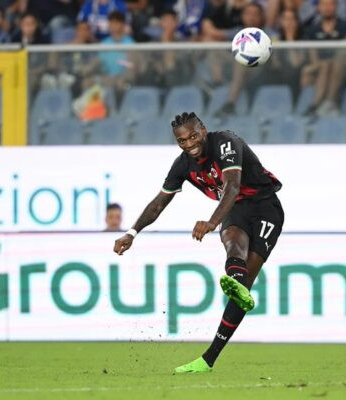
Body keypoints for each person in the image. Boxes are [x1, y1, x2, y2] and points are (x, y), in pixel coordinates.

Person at [113, 112, 284, 373]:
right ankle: (237, 283)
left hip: (266, 208)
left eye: (193, 136)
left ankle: (210, 354)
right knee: (232, 241)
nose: (189, 143)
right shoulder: (182, 165)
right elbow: (160, 202)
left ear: (203, 130)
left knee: (245, 274)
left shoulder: (225, 142)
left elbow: (232, 186)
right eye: (182, 140)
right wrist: (132, 232)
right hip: (235, 209)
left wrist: (211, 222)